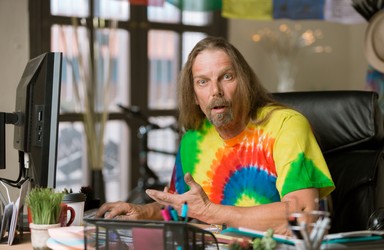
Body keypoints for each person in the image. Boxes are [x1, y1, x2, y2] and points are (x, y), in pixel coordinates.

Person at [96, 36, 335, 235]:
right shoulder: (193, 140)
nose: (215, 91)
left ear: (245, 82)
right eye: (203, 82)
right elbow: (184, 207)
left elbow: (305, 216)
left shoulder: (286, 126)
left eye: (227, 77)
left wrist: (212, 213)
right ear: (194, 95)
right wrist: (142, 211)